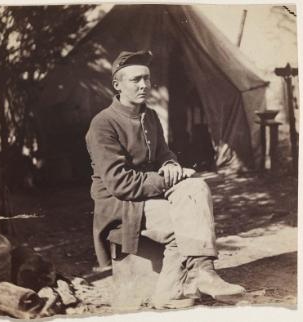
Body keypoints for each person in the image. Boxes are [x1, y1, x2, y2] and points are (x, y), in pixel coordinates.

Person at [85, 50, 245, 309]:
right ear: (117, 85)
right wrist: (169, 178)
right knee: (185, 222)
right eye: (135, 80)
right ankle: (174, 290)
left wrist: (171, 164)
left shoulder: (149, 116)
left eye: (147, 79)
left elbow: (164, 153)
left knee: (195, 185)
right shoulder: (103, 124)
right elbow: (120, 184)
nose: (144, 85)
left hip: (148, 195)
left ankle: (203, 273)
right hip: (121, 204)